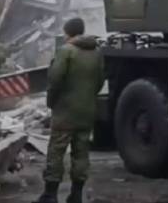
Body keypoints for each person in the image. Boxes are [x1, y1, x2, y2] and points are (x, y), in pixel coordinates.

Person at [35, 17, 104, 203]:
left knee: (56, 150)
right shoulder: (96, 51)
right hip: (87, 111)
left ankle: (50, 195)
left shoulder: (66, 51)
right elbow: (100, 80)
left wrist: (51, 102)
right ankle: (76, 194)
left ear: (68, 32)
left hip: (65, 111)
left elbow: (55, 80)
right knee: (81, 152)